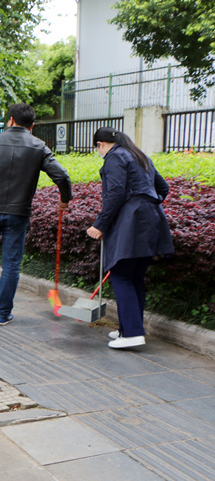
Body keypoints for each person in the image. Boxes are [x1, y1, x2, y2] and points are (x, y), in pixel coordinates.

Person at [0, 103, 73, 325]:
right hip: (18, 213)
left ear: (11, 120)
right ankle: (2, 314)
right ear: (31, 126)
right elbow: (62, 176)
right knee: (11, 265)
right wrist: (64, 199)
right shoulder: (38, 146)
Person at [86, 127, 174, 349]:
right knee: (134, 278)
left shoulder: (114, 157)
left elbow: (115, 193)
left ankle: (133, 333)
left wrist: (99, 224)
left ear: (100, 145)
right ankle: (128, 329)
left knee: (121, 275)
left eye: (97, 148)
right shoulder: (140, 155)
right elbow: (163, 188)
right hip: (151, 221)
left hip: (131, 223)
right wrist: (145, 204)